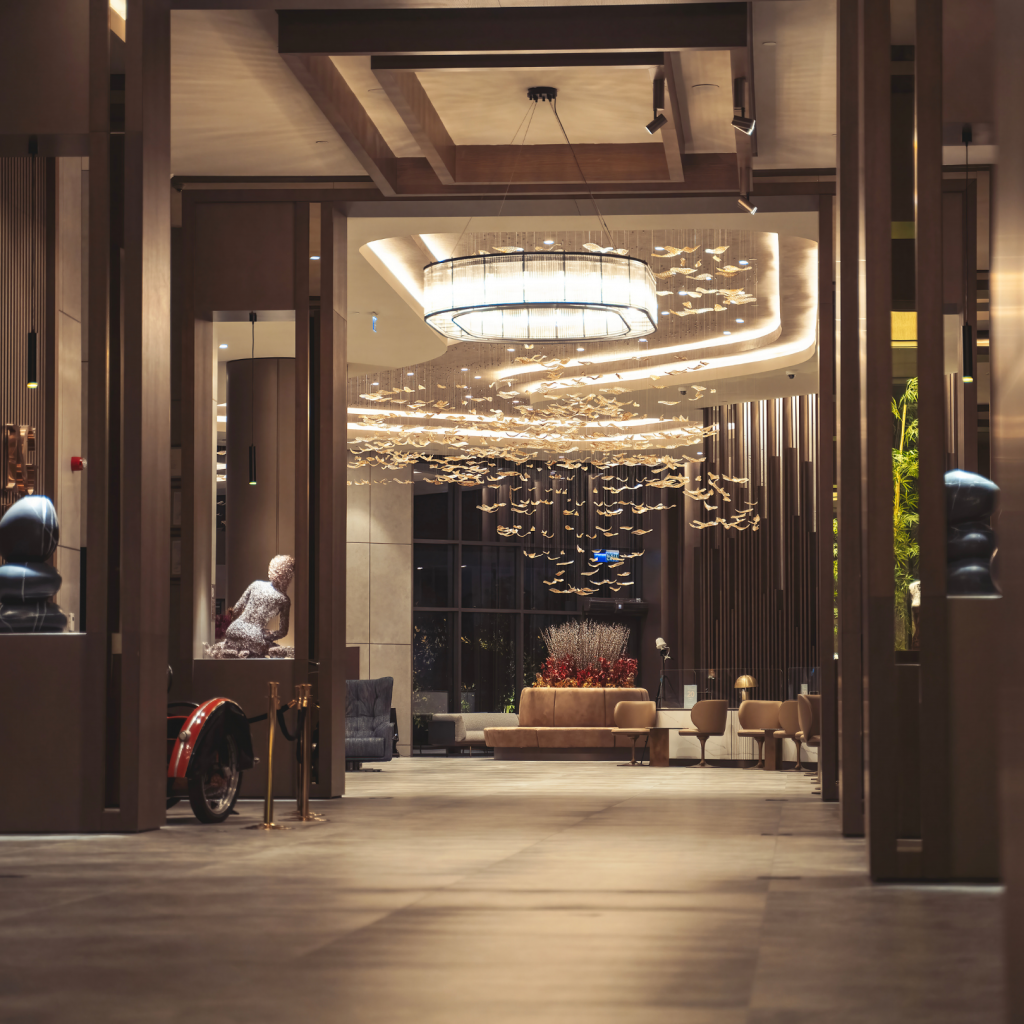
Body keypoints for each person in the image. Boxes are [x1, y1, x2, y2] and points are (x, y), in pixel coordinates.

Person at [208, 555, 295, 659]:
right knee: (277, 651)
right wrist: (266, 634)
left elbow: (236, 609)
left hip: (233, 629)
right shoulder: (284, 600)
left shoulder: (256, 584)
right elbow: (282, 632)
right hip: (255, 637)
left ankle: (233, 651)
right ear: (288, 575)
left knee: (239, 646)